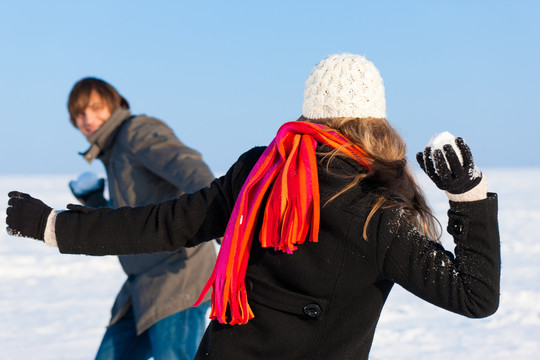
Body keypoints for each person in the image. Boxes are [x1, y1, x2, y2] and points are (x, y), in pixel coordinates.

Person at [6, 54, 500, 360]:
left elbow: (163, 224)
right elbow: (475, 295)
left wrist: (55, 226)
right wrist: (468, 197)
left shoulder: (261, 173)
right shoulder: (379, 214)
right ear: (376, 122)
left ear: (309, 111)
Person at [64, 77, 218, 360]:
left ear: (113, 105)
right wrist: (96, 201)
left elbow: (187, 166)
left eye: (95, 108)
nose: (88, 119)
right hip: (140, 283)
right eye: (79, 114)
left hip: (177, 273)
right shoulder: (112, 154)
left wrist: (223, 214)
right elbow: (129, 222)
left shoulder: (136, 130)